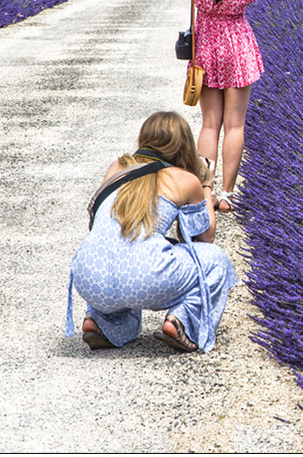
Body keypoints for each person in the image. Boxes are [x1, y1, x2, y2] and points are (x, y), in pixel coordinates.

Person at [65, 111, 237, 353]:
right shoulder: (185, 179)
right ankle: (182, 322)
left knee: (124, 249)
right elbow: (204, 238)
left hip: (89, 278)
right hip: (145, 279)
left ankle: (100, 321)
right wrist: (206, 184)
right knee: (216, 260)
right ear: (184, 146)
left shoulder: (118, 167)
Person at [180, 0, 271, 212]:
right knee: (235, 126)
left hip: (206, 47)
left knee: (209, 124)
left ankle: (204, 191)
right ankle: (227, 196)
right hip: (237, 48)